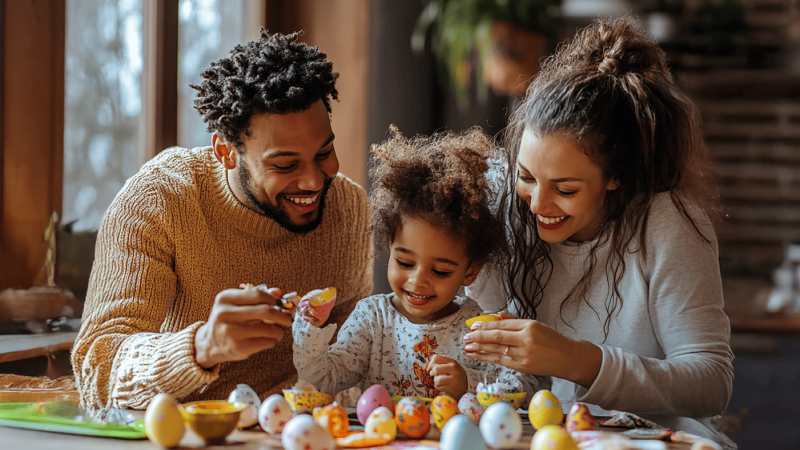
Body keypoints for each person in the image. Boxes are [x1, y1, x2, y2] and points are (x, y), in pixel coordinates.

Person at [463, 17, 735, 447]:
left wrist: (579, 361)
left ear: (615, 177)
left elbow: (711, 382)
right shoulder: (507, 205)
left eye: (566, 189)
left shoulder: (665, 223)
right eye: (527, 177)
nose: (537, 204)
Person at [72, 30, 373, 410]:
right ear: (226, 152)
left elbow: (350, 358)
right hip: (187, 433)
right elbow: (96, 371)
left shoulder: (348, 208)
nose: (314, 181)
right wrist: (203, 346)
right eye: (285, 164)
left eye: (324, 152)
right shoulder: (159, 200)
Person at [293, 127, 535, 400]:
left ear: (471, 271)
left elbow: (526, 386)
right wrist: (310, 330)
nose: (418, 280)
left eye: (440, 271)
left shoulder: (474, 328)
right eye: (405, 262)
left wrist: (469, 382)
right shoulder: (372, 319)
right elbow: (321, 381)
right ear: (390, 245)